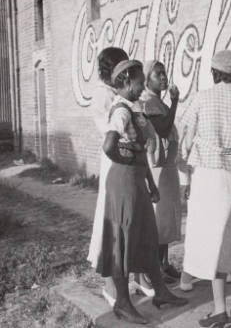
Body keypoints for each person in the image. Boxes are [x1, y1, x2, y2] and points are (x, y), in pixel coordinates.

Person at [98, 60, 187, 325]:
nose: (141, 88)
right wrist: (123, 159)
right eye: (138, 83)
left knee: (148, 235)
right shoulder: (121, 112)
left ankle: (160, 292)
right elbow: (109, 145)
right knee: (123, 241)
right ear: (126, 82)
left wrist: (151, 183)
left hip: (137, 180)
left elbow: (140, 151)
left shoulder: (134, 108)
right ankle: (123, 304)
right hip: (123, 183)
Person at [181, 50, 231, 327]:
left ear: (213, 73)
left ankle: (218, 309)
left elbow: (185, 133)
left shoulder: (202, 98)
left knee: (214, 240)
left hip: (211, 176)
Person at [134, 60, 183, 294]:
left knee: (166, 221)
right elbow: (163, 129)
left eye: (164, 73)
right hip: (156, 168)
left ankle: (163, 264)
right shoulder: (147, 101)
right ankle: (153, 268)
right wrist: (175, 102)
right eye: (158, 74)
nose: (163, 77)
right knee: (157, 221)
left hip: (167, 167)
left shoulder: (157, 101)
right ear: (146, 79)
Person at [87, 47, 129, 306]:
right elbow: (111, 133)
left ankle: (125, 279)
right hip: (113, 158)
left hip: (125, 160)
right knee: (110, 221)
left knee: (125, 221)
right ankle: (109, 284)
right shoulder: (103, 96)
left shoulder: (117, 93)